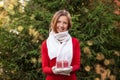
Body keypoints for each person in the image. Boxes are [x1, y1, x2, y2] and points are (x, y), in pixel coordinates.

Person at [41, 10, 81, 80]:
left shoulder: (74, 42)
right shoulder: (46, 44)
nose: (61, 25)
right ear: (54, 22)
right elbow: (45, 68)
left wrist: (70, 69)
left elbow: (77, 65)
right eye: (58, 22)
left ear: (68, 25)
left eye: (65, 23)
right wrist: (53, 70)